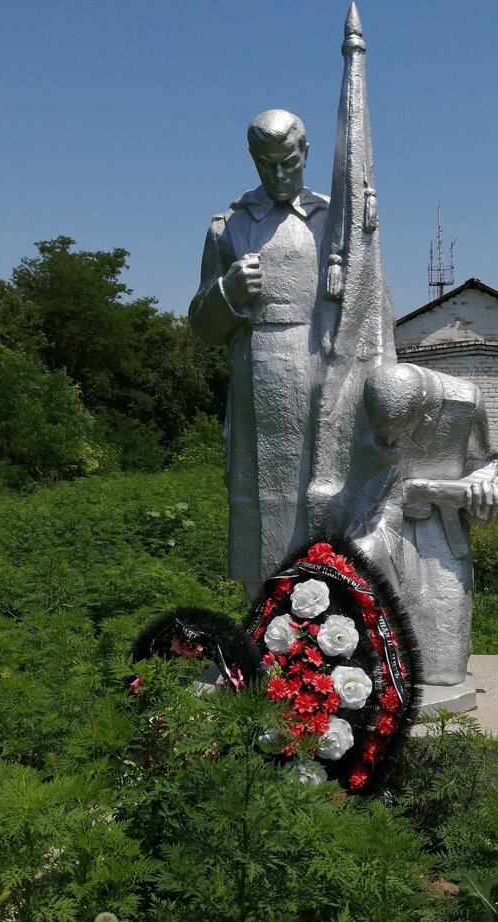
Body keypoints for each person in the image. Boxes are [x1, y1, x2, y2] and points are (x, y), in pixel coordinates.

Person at [188, 110, 329, 597]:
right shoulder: (228, 227)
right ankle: (264, 625)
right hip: (254, 377)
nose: (280, 175)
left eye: (288, 162)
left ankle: (330, 612)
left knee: (322, 494)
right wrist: (228, 291)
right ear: (253, 160)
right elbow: (201, 324)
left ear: (306, 152)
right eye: (268, 165)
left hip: (319, 373)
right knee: (255, 498)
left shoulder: (333, 220)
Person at [365, 363, 498, 688]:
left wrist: (480, 483)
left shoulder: (466, 402)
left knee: (443, 669)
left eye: (401, 435)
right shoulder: (365, 399)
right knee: (377, 659)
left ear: (427, 416)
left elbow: (486, 460)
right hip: (381, 525)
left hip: (440, 532)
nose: (391, 443)